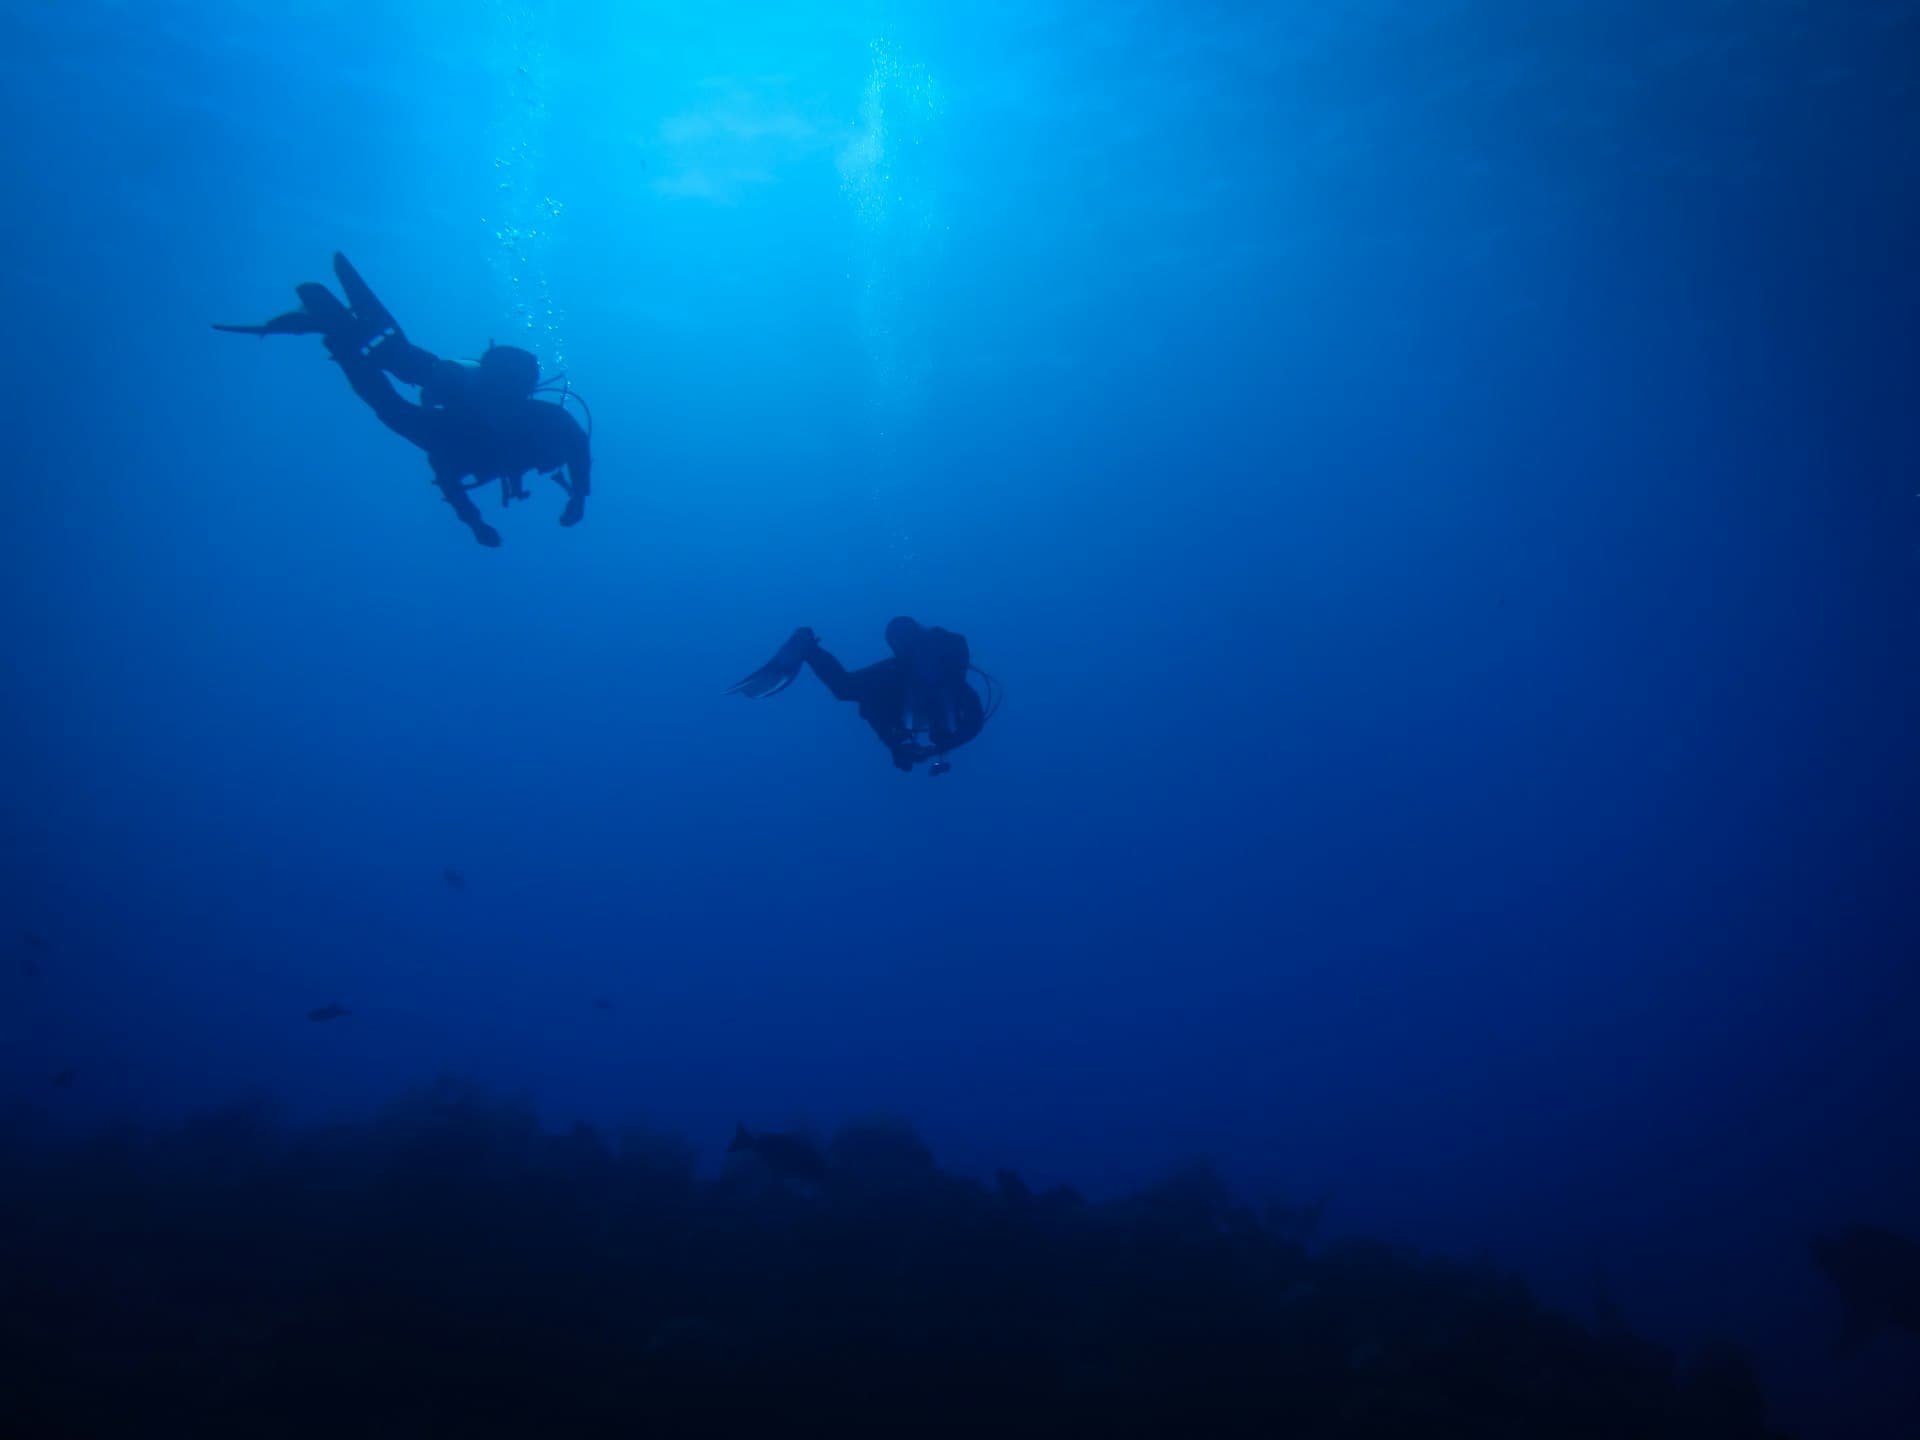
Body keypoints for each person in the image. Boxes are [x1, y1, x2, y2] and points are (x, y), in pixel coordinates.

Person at [216, 253, 592, 547]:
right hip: (456, 423)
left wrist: (574, 498)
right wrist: (573, 500)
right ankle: (344, 339)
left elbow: (575, 446)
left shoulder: (547, 423)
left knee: (414, 383)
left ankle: (349, 337)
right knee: (398, 400)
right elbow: (575, 446)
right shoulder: (547, 426)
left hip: (455, 417)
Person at [728, 618, 999, 774]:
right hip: (902, 689)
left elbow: (870, 705)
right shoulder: (948, 682)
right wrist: (898, 744)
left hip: (901, 688)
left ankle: (808, 648)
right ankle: (808, 648)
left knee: (846, 688)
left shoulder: (926, 678)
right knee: (847, 689)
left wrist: (899, 744)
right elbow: (974, 720)